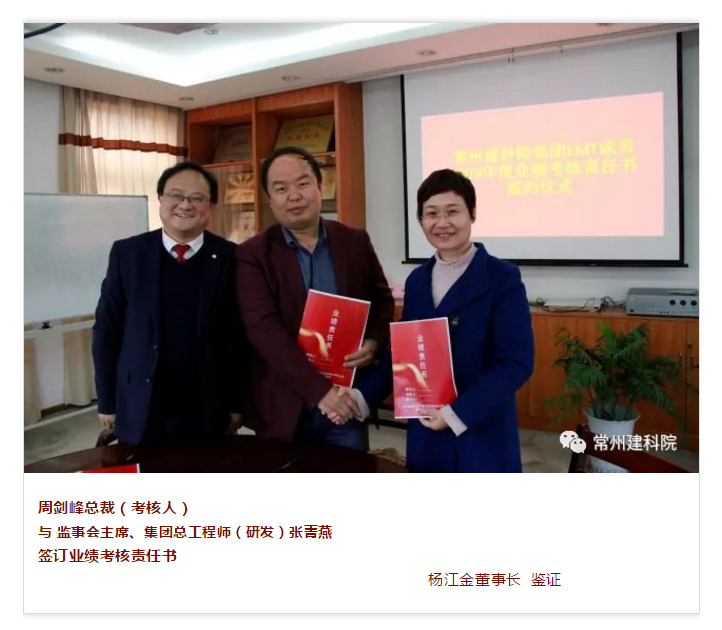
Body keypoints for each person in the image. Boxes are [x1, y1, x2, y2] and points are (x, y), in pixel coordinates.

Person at [346, 168, 534, 472]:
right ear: (421, 220)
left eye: (452, 211)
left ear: (472, 213)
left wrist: (457, 413)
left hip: (481, 429)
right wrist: (360, 397)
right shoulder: (417, 281)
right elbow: (403, 354)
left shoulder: (502, 277)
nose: (442, 222)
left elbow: (516, 362)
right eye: (431, 213)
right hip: (427, 431)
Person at [235, 146, 395, 451]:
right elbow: (263, 330)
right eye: (281, 189)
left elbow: (382, 300)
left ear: (320, 187)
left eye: (303, 183)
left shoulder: (354, 241)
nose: (294, 196)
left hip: (347, 401)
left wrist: (374, 342)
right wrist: (321, 392)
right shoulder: (252, 254)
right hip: (285, 407)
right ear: (270, 199)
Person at [92, 161, 247, 446]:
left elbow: (238, 338)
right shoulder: (128, 253)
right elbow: (106, 329)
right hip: (141, 400)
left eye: (197, 198)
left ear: (210, 206)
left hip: (207, 403)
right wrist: (107, 400)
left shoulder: (231, 257)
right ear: (161, 199)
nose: (185, 205)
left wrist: (236, 403)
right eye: (176, 195)